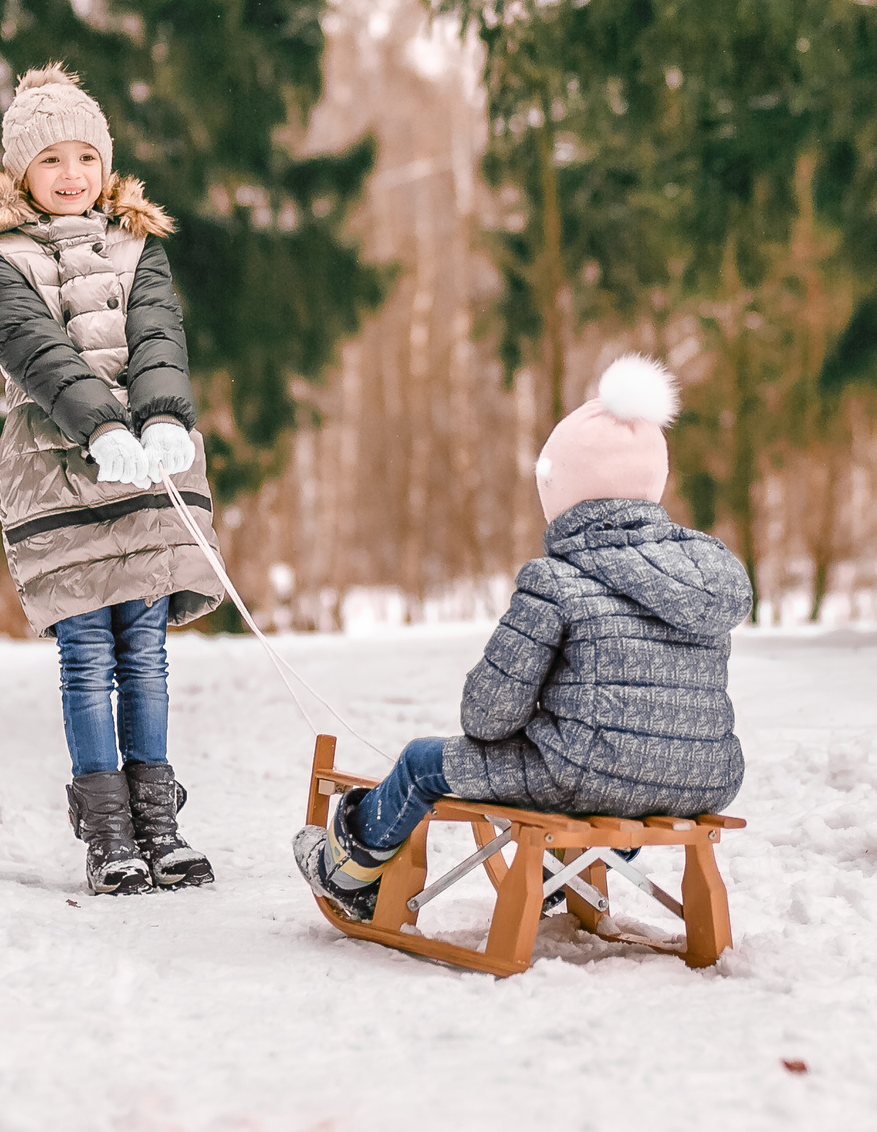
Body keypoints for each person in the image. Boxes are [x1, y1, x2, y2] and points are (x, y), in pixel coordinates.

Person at [295, 355, 752, 922]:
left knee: (420, 763)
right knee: (625, 775)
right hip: (703, 780)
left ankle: (346, 869)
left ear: (560, 487)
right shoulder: (704, 576)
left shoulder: (555, 580)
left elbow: (487, 718)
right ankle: (560, 875)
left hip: (582, 775)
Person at [0, 64, 223, 896]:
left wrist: (159, 417)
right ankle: (109, 834)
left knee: (143, 652)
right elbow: (38, 353)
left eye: (86, 156)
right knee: (87, 652)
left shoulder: (139, 247)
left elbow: (157, 336)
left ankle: (160, 823)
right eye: (51, 161)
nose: (72, 175)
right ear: (20, 174)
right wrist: (100, 427)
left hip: (146, 470)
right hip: (58, 471)